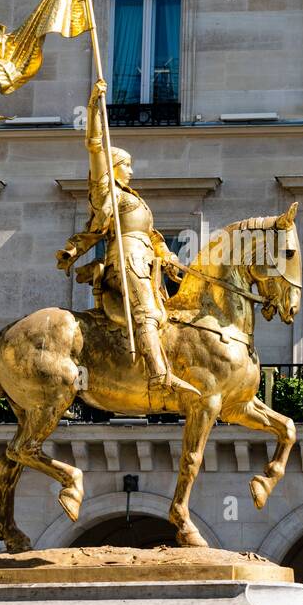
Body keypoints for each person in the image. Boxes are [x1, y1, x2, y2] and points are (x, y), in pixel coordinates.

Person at [56, 79, 202, 402]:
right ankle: (160, 375)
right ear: (115, 168)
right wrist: (95, 105)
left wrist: (168, 256)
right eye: (127, 166)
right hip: (125, 263)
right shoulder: (108, 192)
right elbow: (95, 146)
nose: (132, 172)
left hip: (146, 264)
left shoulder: (135, 200)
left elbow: (153, 236)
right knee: (146, 313)